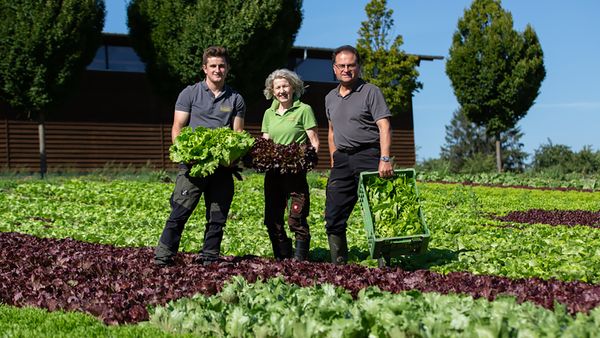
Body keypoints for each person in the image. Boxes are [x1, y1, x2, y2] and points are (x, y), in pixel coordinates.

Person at [154, 46, 246, 266]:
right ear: (205, 68)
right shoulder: (190, 93)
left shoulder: (236, 99)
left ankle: (209, 256)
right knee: (180, 211)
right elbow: (177, 128)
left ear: (228, 68)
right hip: (193, 166)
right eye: (213, 66)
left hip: (222, 168)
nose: (217, 70)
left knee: (217, 216)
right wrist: (186, 155)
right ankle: (163, 257)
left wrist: (232, 157)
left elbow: (238, 135)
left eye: (221, 66)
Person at [324, 45, 394, 264]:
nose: (346, 69)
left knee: (378, 210)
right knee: (333, 213)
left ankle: (385, 266)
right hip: (342, 160)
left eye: (351, 65)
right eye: (342, 65)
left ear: (359, 67)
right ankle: (340, 264)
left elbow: (384, 126)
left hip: (369, 156)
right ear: (334, 68)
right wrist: (335, 158)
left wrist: (384, 158)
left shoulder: (371, 91)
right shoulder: (330, 98)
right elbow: (331, 131)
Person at [261, 69, 319, 261]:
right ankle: (282, 258)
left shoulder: (304, 110)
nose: (282, 90)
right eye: (277, 87)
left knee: (297, 217)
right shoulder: (269, 113)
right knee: (272, 219)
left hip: (295, 173)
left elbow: (314, 141)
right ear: (272, 90)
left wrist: (308, 161)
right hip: (274, 174)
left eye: (285, 86)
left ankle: (301, 261)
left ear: (293, 87)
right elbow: (265, 142)